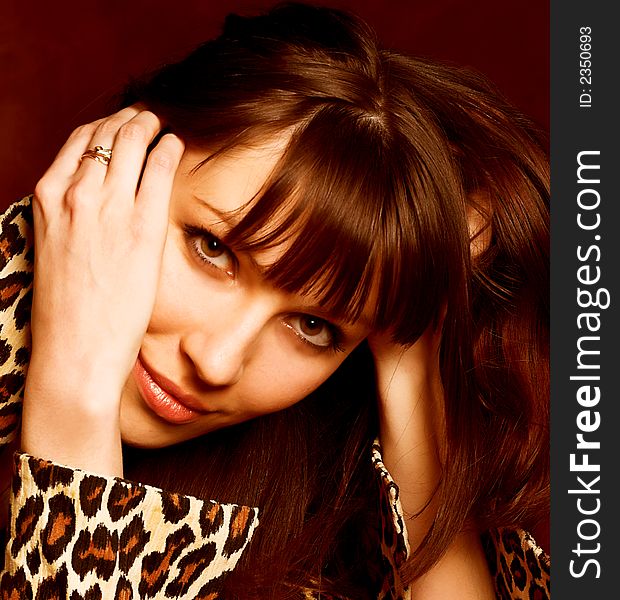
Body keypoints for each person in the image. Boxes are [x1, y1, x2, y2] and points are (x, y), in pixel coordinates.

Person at [0, 3, 549, 598]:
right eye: (212, 248)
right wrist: (77, 387)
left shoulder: (309, 517)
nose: (216, 362)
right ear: (126, 151)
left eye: (314, 326)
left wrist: (412, 357)